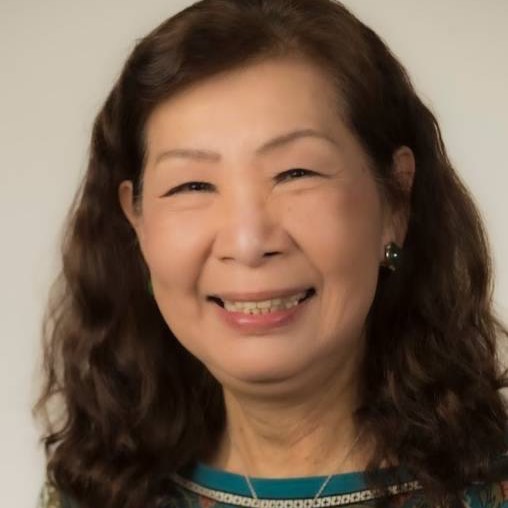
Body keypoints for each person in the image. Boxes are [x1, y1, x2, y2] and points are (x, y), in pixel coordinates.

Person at [34, 0, 508, 507]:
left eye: (296, 173)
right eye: (192, 184)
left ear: (395, 200)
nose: (248, 241)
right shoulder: (89, 495)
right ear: (138, 222)